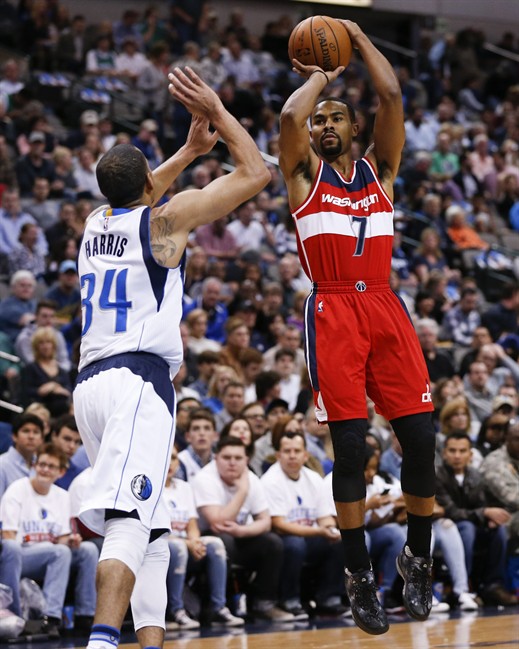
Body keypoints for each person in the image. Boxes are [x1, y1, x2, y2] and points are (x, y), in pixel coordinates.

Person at [72, 65, 269, 649]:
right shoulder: (165, 219)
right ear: (147, 185)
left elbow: (137, 188)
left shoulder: (94, 222)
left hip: (91, 386)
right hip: (136, 380)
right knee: (130, 522)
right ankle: (103, 641)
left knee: (153, 527)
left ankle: (149, 642)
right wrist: (218, 108)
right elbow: (255, 172)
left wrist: (188, 149)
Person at [278, 20, 436, 635]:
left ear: (355, 129)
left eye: (336, 117)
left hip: (385, 306)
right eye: (321, 120)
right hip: (335, 309)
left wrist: (357, 38)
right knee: (349, 448)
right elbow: (290, 120)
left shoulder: (381, 173)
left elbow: (392, 97)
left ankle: (417, 558)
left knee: (419, 440)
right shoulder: (302, 177)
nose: (323, 124)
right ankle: (358, 574)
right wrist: (321, 74)